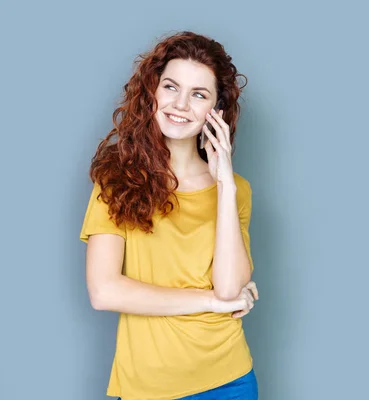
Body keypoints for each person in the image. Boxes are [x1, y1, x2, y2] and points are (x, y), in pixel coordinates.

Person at [79, 31, 260, 400]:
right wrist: (209, 302)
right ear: (152, 93)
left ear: (216, 111)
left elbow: (229, 287)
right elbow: (104, 290)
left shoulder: (236, 189)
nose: (180, 104)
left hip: (230, 379)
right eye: (170, 87)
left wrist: (224, 184)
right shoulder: (117, 179)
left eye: (199, 94)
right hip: (149, 386)